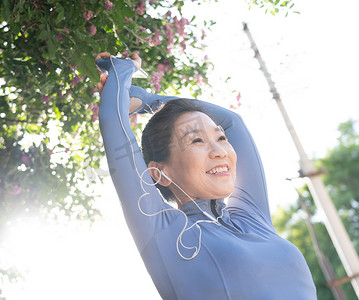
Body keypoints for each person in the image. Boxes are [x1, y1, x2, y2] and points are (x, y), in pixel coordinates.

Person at [95, 52, 317, 300]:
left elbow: (233, 122)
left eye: (221, 139)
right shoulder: (164, 231)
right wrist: (122, 71)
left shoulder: (252, 217)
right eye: (197, 140)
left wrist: (148, 101)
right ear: (160, 173)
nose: (219, 151)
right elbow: (111, 118)